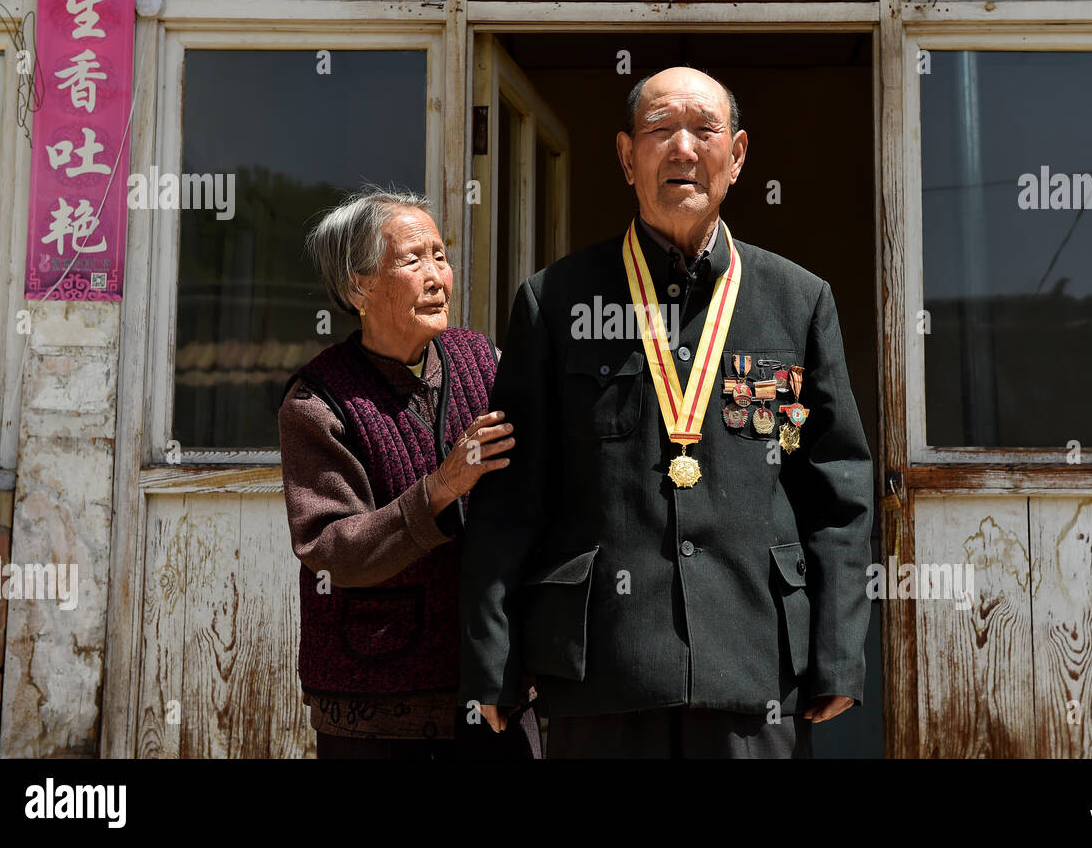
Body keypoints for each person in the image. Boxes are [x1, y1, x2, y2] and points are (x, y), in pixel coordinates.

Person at [460, 67, 874, 758]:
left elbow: (835, 493)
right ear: (627, 157)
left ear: (737, 155)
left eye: (705, 130)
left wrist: (835, 654)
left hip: (755, 663)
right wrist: (494, 663)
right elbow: (512, 496)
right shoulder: (555, 301)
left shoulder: (797, 302)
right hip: (603, 668)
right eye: (659, 130)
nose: (682, 148)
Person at [278, 188, 540, 759]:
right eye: (412, 259)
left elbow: (533, 504)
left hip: (495, 683)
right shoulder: (319, 402)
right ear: (358, 288)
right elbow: (331, 549)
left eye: (440, 256)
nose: (437, 275)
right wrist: (442, 487)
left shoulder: (485, 362)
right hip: (377, 705)